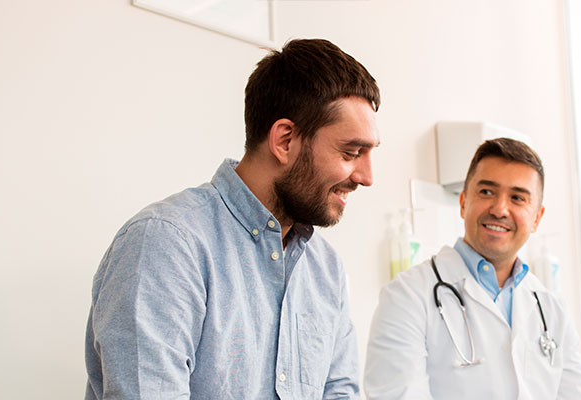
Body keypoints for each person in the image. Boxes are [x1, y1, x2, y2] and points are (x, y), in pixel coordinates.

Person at [84, 38, 380, 399]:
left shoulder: (326, 269)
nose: (366, 176)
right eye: (351, 152)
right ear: (285, 141)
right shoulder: (165, 245)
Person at [364, 138, 581, 399]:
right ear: (463, 202)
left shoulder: (551, 309)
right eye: (487, 192)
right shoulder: (406, 296)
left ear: (536, 218)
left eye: (517, 198)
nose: (500, 209)